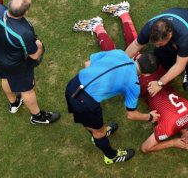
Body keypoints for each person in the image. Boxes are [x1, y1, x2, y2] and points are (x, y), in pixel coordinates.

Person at [74, 1, 188, 153]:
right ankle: (98, 26)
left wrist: (121, 62)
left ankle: (123, 13)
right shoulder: (170, 127)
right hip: (149, 85)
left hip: (161, 74)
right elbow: (145, 148)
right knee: (118, 73)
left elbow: (137, 45)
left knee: (137, 56)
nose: (186, 146)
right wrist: (174, 143)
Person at [67, 18, 160, 165]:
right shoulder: (133, 83)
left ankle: (98, 130)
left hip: (73, 84)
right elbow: (131, 114)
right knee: (99, 133)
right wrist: (149, 117)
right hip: (85, 103)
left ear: (139, 57)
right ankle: (110, 155)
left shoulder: (118, 54)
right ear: (147, 74)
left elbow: (88, 64)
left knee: (93, 124)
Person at [0, 0, 60, 124]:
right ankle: (37, 117)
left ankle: (14, 103)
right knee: (27, 90)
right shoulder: (24, 32)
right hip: (17, 65)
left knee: (5, 78)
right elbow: (34, 55)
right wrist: (39, 45)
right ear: (26, 12)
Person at [124, 5, 188, 95]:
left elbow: (179, 65)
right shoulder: (149, 27)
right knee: (163, 62)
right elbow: (136, 44)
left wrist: (160, 83)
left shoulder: (185, 37)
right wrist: (122, 63)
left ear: (170, 35)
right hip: (183, 26)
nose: (157, 46)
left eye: (159, 43)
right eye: (155, 43)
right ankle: (175, 51)